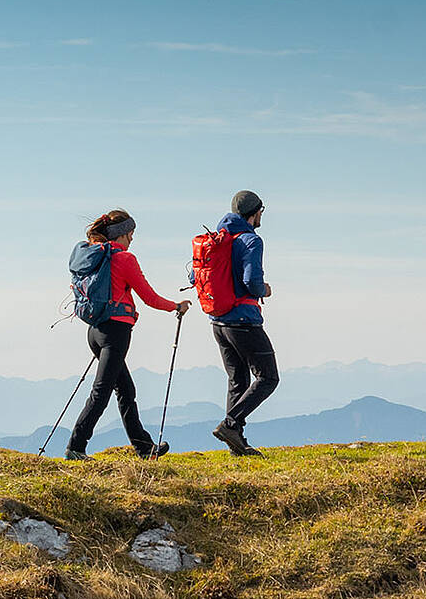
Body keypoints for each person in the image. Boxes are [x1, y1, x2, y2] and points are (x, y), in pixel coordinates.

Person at [64, 210, 190, 460]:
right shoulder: (124, 259)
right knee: (101, 392)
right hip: (115, 334)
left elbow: (116, 292)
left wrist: (128, 310)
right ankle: (76, 447)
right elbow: (150, 297)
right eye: (130, 233)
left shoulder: (95, 257)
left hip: (95, 331)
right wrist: (176, 306)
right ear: (121, 234)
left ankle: (144, 448)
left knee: (126, 391)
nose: (132, 238)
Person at [201, 190, 279, 456]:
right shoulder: (251, 241)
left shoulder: (216, 240)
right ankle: (231, 425)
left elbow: (194, 275)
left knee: (238, 381)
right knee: (268, 377)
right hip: (243, 321)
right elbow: (252, 283)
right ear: (255, 212)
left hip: (218, 323)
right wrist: (265, 290)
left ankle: (237, 445)